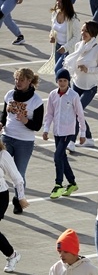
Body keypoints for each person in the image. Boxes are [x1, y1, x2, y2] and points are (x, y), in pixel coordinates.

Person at [1, 67, 43, 215]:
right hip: (6, 137)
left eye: (22, 80)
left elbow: (37, 126)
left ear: (29, 81)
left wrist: (26, 121)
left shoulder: (36, 101)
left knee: (19, 173)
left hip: (24, 142)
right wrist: (1, 124)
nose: (18, 82)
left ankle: (18, 200)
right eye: (17, 79)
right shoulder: (10, 95)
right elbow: (4, 115)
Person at [42, 68, 87, 199]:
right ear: (56, 81)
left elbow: (80, 115)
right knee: (62, 157)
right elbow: (49, 114)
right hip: (57, 132)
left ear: (69, 81)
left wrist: (82, 133)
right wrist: (46, 129)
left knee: (57, 156)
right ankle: (72, 183)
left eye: (65, 81)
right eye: (60, 80)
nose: (62, 83)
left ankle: (58, 184)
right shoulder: (52, 95)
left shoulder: (73, 96)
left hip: (68, 131)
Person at [65, 20, 98, 150]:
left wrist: (89, 70)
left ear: (93, 33)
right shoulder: (78, 46)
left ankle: (72, 141)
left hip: (90, 87)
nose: (83, 33)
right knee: (78, 112)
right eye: (82, 30)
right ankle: (88, 138)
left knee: (77, 112)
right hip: (76, 84)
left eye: (86, 31)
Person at [0, 139, 28, 272]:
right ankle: (12, 255)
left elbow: (17, 178)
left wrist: (21, 197)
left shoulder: (3, 155)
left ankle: (12, 255)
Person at [43, 0, 80, 75]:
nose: (57, 3)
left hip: (67, 50)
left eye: (60, 1)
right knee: (61, 75)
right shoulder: (54, 13)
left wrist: (65, 47)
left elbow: (77, 37)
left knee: (59, 71)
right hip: (57, 47)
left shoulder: (73, 19)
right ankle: (65, 88)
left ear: (66, 3)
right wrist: (51, 36)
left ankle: (66, 88)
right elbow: (53, 29)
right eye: (57, 0)